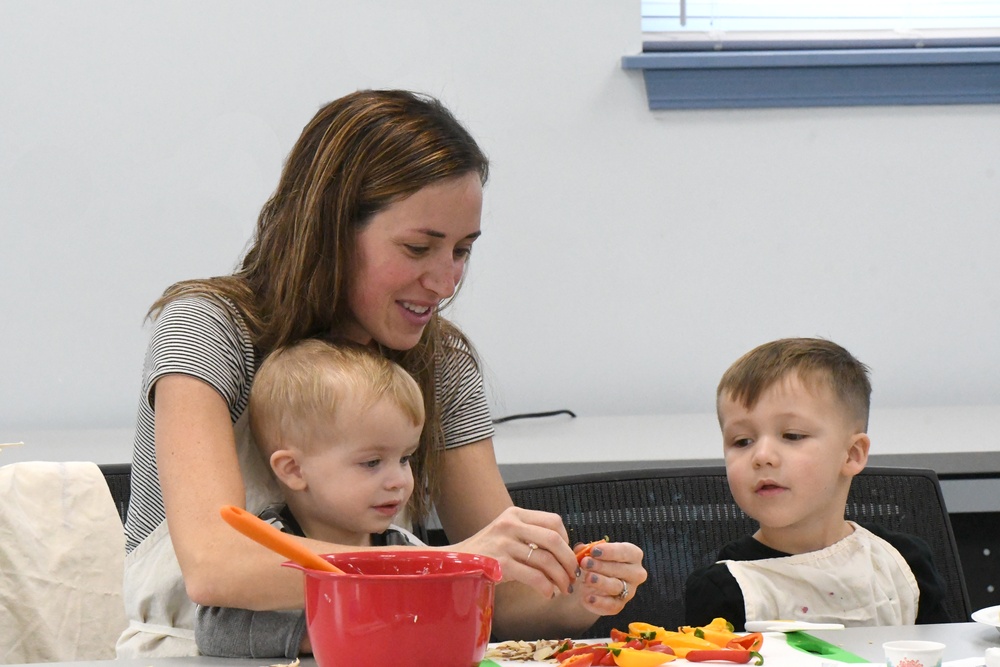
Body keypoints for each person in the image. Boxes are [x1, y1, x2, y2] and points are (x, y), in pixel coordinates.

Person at [117, 89, 646, 658]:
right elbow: (216, 567)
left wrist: (579, 589)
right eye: (419, 248)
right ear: (330, 231)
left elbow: (506, 595)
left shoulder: (440, 363)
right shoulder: (209, 327)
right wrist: (447, 563)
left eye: (463, 251)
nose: (445, 283)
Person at [684, 337, 949, 630]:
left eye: (792, 436)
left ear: (851, 454)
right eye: (742, 441)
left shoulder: (901, 562)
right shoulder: (725, 589)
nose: (761, 456)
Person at [196, 339, 426, 658]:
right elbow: (216, 632)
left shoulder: (401, 548)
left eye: (405, 458)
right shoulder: (269, 542)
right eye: (372, 462)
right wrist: (324, 636)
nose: (399, 481)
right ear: (294, 470)